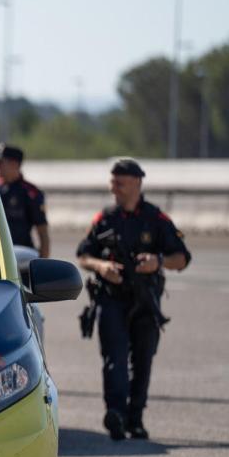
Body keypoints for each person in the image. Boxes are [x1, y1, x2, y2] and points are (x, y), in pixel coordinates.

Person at [77, 158, 190, 441]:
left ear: (137, 183)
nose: (113, 187)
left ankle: (135, 418)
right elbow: (83, 254)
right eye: (112, 181)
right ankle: (115, 413)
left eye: (120, 182)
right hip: (111, 298)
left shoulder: (156, 219)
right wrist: (101, 267)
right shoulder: (105, 218)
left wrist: (158, 261)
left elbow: (183, 257)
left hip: (145, 301)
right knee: (113, 358)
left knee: (142, 360)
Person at [0, 144, 50, 258]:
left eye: (1, 162)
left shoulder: (30, 193)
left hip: (21, 255)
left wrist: (42, 265)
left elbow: (43, 233)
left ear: (14, 164)